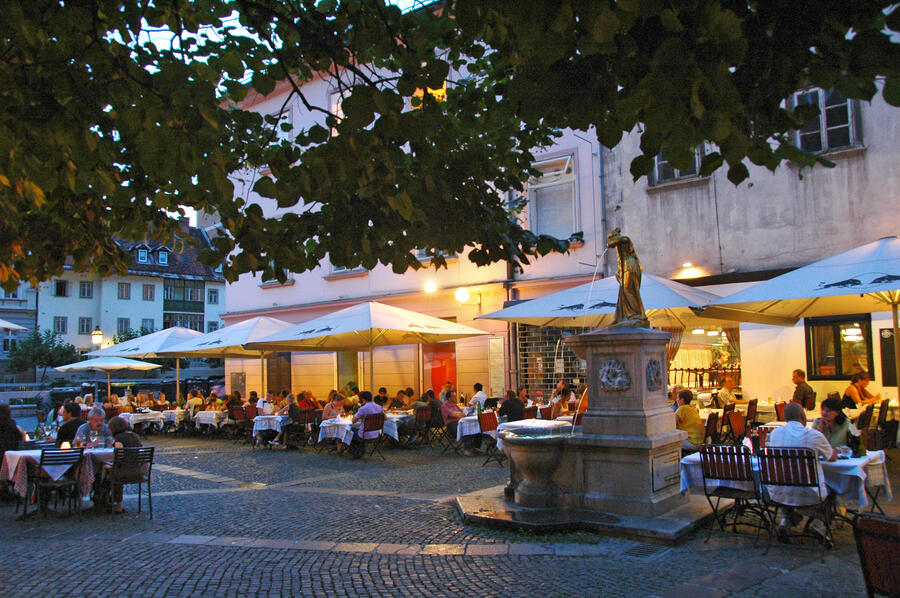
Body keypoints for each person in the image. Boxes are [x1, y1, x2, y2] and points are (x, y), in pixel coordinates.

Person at [767, 402, 836, 544]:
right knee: (833, 489)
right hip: (809, 493)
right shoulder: (815, 435)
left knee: (789, 483)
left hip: (779, 492)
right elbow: (831, 457)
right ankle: (817, 525)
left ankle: (786, 522)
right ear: (802, 416)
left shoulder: (775, 434)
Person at [104, 416, 143, 514]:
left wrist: (110, 465)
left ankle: (112, 503)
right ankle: (115, 503)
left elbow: (119, 456)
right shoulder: (135, 436)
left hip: (124, 472)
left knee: (107, 471)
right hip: (137, 471)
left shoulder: (119, 438)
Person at [349, 391, 383, 458]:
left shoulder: (363, 408)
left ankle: (356, 451)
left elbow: (353, 421)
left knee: (351, 430)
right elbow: (385, 418)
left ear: (363, 399)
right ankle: (360, 450)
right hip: (376, 433)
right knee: (357, 430)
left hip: (365, 434)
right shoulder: (379, 407)